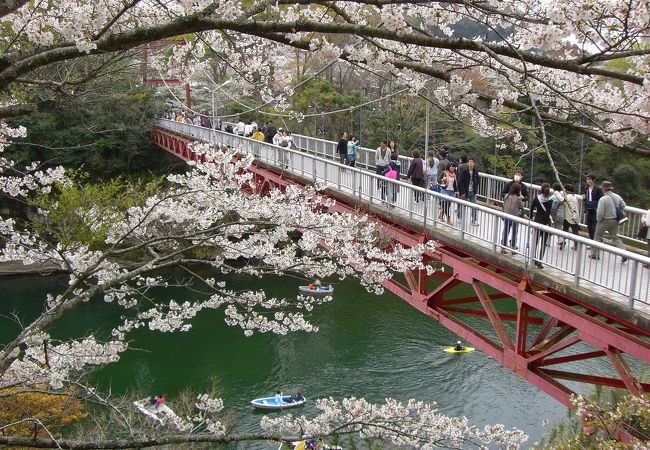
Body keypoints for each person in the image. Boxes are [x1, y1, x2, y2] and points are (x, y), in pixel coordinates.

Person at [590, 181, 627, 261]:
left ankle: (595, 254)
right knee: (615, 237)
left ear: (603, 189)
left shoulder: (603, 199)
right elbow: (623, 205)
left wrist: (599, 220)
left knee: (597, 236)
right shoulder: (617, 196)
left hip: (605, 220)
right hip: (615, 220)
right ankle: (624, 253)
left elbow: (600, 212)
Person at [530, 183, 554, 269]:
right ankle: (540, 261)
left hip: (537, 222)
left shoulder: (537, 198)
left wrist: (531, 217)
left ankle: (533, 258)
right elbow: (548, 213)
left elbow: (531, 208)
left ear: (541, 189)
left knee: (535, 242)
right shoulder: (550, 200)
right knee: (543, 243)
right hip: (546, 224)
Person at [501, 182, 523, 254]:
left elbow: (504, 204)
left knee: (506, 231)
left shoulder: (507, 195)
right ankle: (513, 248)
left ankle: (503, 247)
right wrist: (521, 197)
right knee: (514, 232)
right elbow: (521, 206)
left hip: (507, 215)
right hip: (515, 217)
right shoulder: (517, 198)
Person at [458, 157, 480, 225]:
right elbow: (460, 182)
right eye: (469, 162)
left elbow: (478, 181)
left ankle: (474, 220)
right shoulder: (464, 171)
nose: (470, 163)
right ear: (467, 163)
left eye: (472, 162)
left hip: (472, 191)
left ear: (474, 164)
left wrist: (475, 189)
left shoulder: (475, 172)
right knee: (462, 205)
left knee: (474, 206)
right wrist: (462, 192)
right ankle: (460, 218)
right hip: (465, 191)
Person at [582, 173, 603, 240]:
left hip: (595, 210)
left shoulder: (598, 189)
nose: (587, 181)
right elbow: (584, 198)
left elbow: (601, 199)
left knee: (594, 227)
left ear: (593, 180)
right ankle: (592, 241)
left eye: (589, 179)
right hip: (588, 209)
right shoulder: (586, 188)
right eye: (587, 179)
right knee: (589, 227)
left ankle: (597, 240)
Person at [561, 184, 580, 250]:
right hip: (575, 216)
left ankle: (562, 241)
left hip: (568, 216)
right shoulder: (574, 196)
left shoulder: (568, 197)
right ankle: (575, 245)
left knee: (565, 230)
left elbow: (562, 201)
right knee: (575, 231)